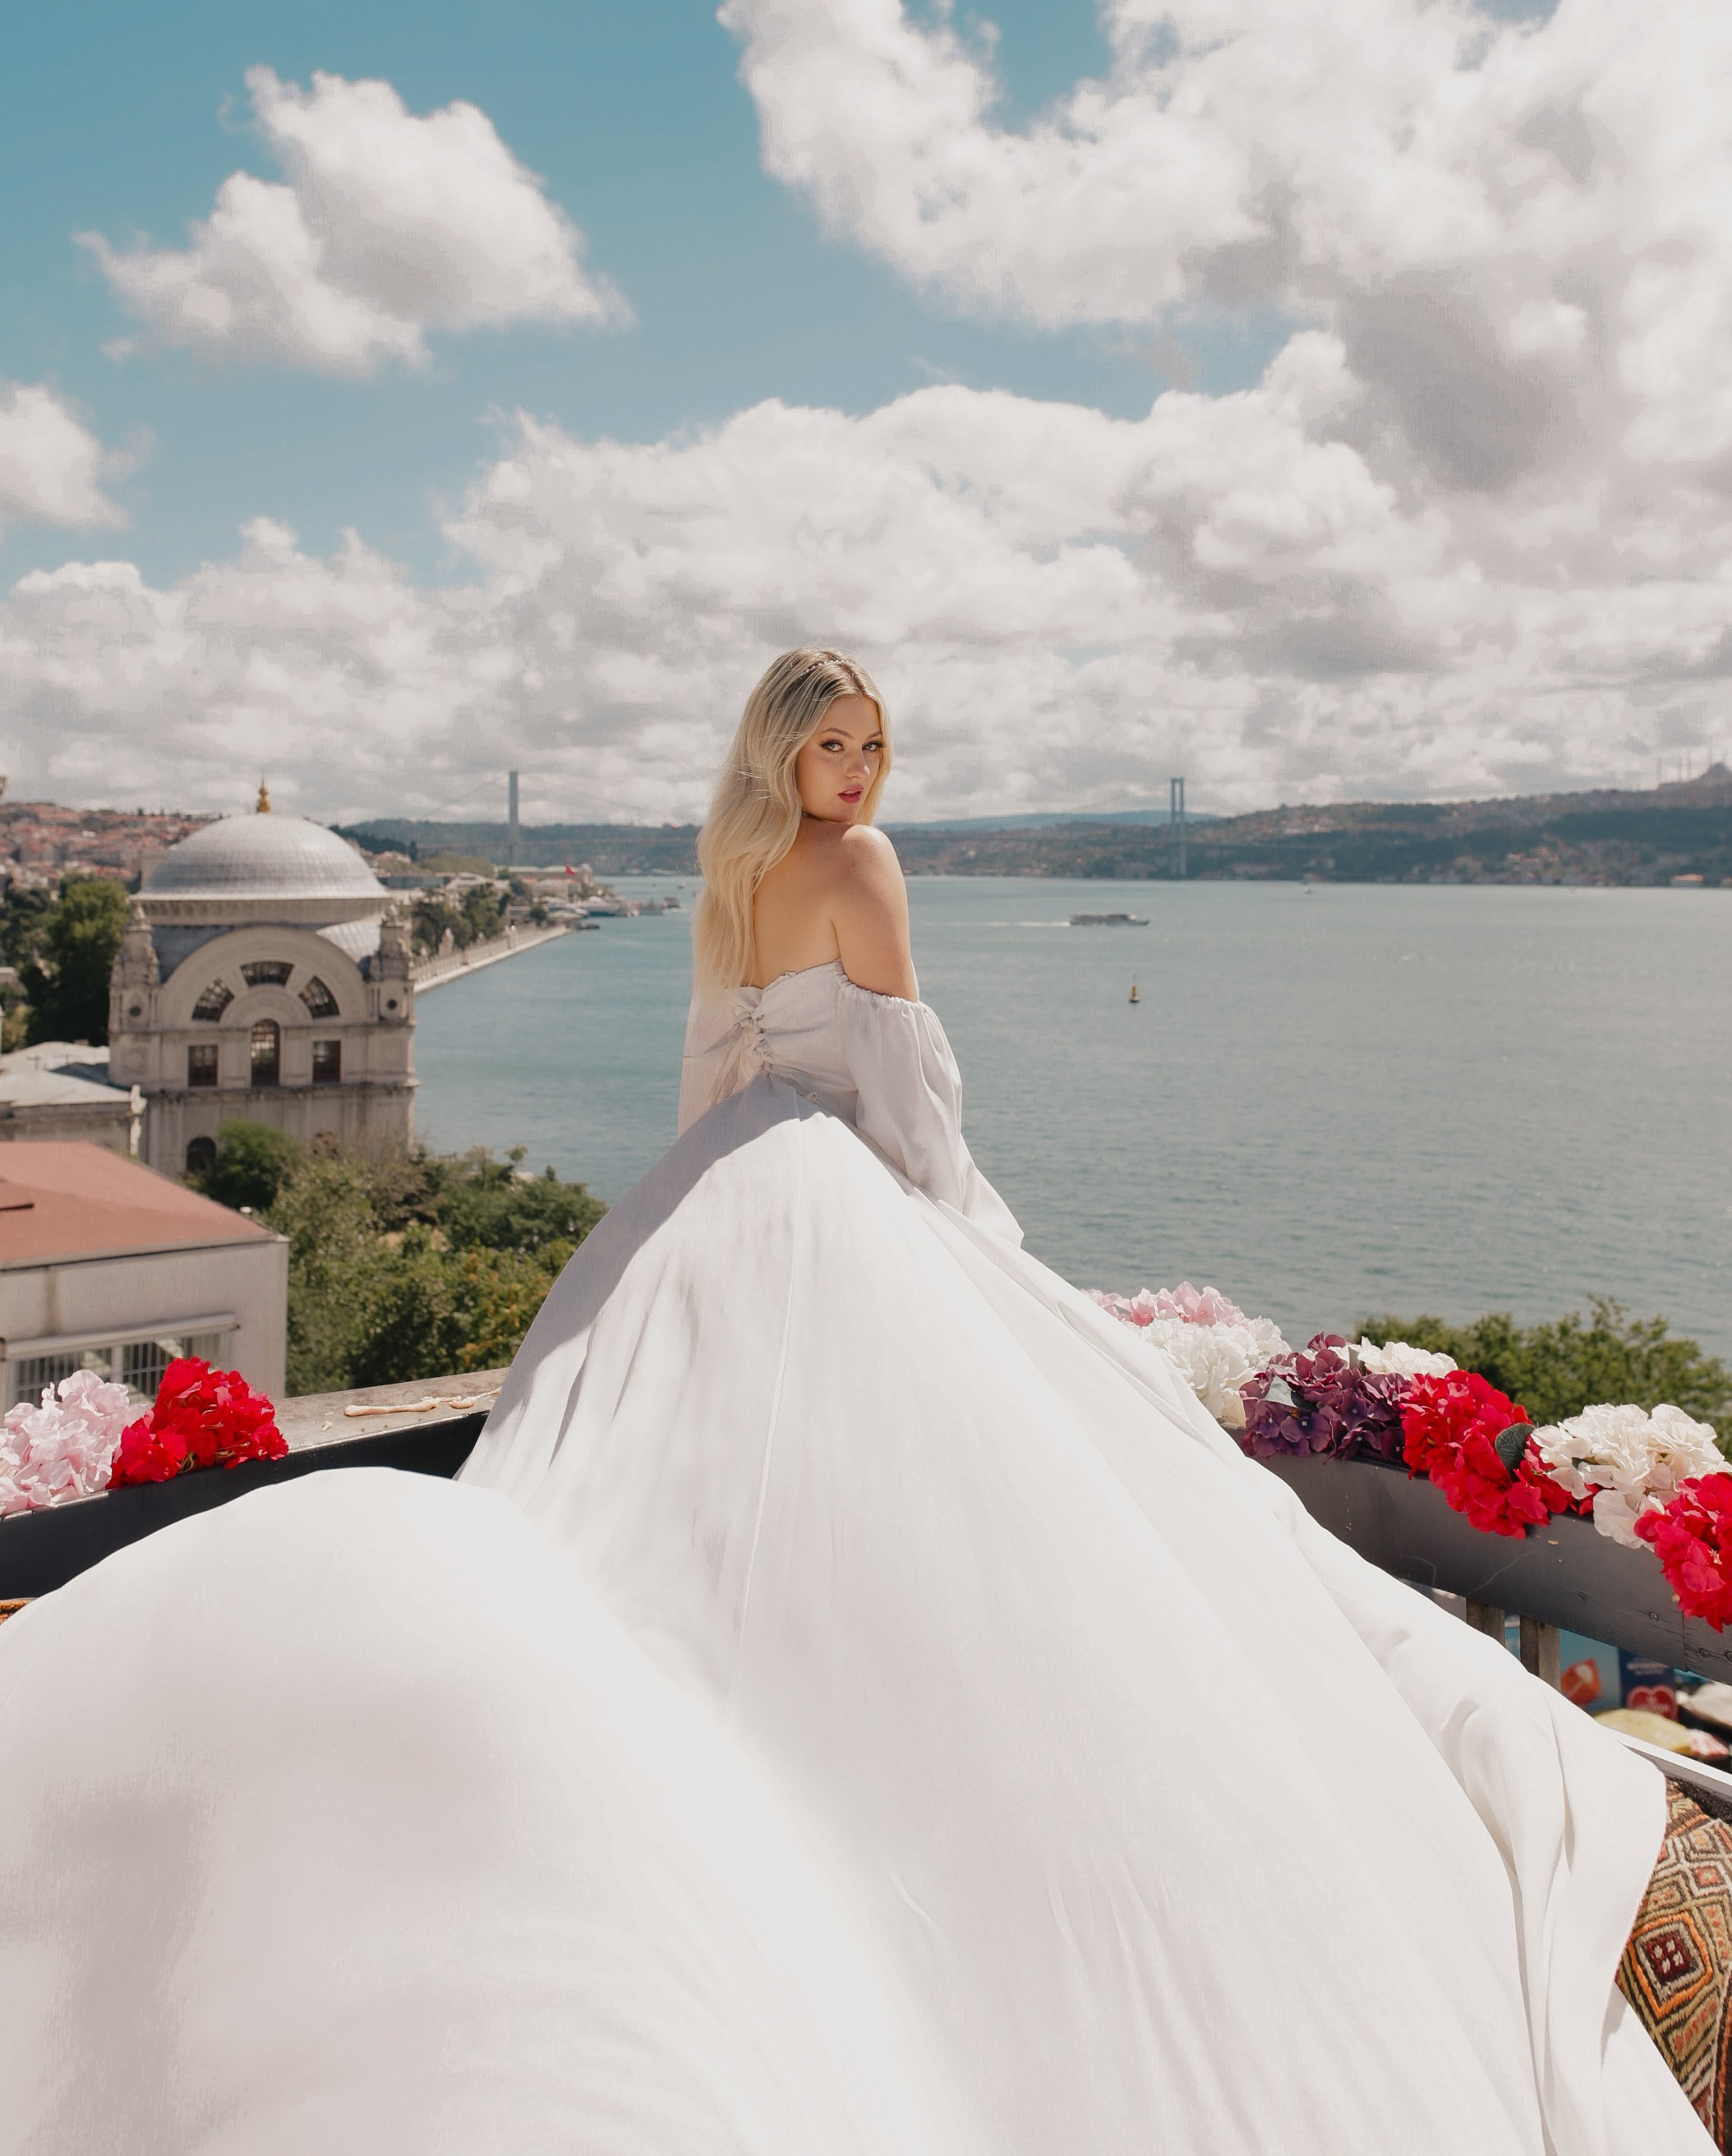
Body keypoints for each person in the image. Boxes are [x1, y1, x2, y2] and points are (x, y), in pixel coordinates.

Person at [0, 647, 1711, 2156]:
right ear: (789, 758)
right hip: (841, 1183)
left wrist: (681, 1195)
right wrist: (962, 1234)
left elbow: (711, 1064)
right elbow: (906, 1077)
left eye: (875, 751)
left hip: (724, 1178)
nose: (864, 778)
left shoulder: (732, 873)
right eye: (840, 749)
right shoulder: (859, 867)